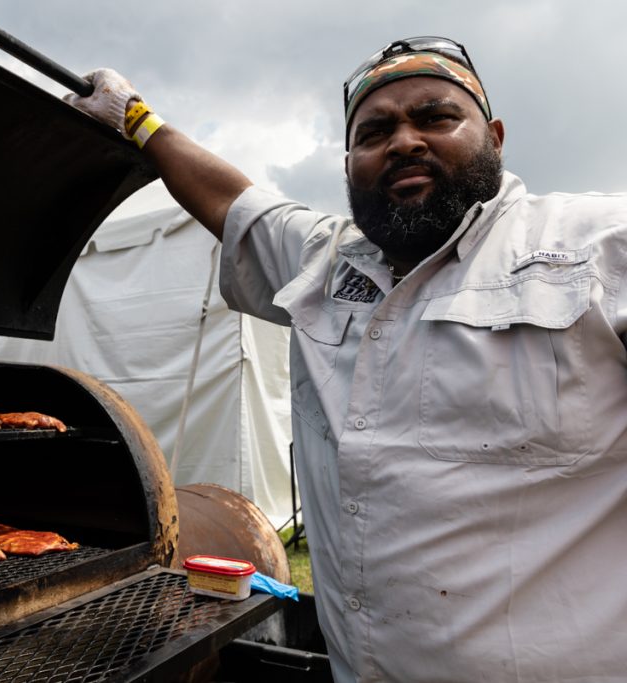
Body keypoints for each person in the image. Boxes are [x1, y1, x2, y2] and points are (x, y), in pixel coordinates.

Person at [65, 37, 627, 682]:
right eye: (376, 131)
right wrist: (136, 119)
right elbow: (233, 204)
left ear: (495, 137)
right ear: (350, 163)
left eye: (436, 117)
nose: (405, 141)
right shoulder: (327, 262)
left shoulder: (600, 245)